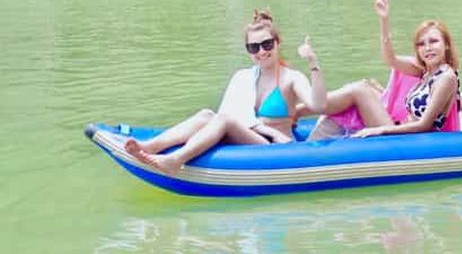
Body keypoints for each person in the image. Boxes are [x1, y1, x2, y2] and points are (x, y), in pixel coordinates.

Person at [123, 10, 327, 173]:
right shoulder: (244, 77)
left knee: (223, 120)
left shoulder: (291, 77)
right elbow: (233, 112)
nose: (261, 52)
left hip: (277, 145)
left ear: (277, 43)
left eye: (266, 44)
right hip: (254, 135)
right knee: (206, 115)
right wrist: (262, 129)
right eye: (253, 47)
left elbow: (318, 105)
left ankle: (176, 160)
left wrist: (313, 63)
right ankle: (150, 146)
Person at [304, 0, 460, 138]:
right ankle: (300, 109)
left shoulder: (446, 77)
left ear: (446, 45)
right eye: (421, 44)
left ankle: (299, 109)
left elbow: (424, 125)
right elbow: (390, 60)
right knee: (363, 88)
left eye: (433, 41)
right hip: (403, 131)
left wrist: (380, 129)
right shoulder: (425, 73)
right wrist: (384, 20)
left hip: (411, 141)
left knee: (360, 90)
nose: (427, 48)